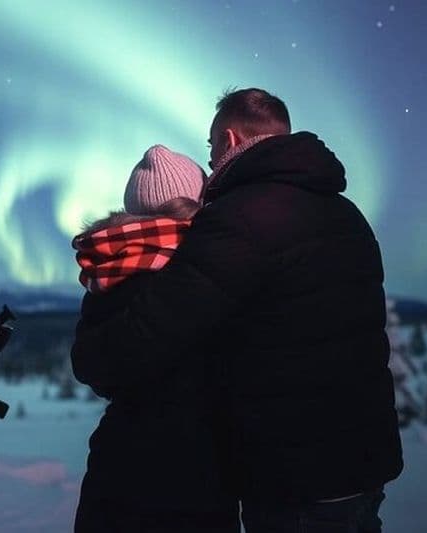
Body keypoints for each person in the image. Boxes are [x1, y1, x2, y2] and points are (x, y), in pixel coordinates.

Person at [71, 88, 404, 532]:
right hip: (363, 462)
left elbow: (147, 334)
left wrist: (95, 352)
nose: (210, 163)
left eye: (210, 146)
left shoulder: (241, 218)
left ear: (229, 140)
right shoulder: (347, 215)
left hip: (295, 476)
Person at [72, 144, 240, 532]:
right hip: (199, 474)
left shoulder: (110, 265)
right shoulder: (210, 268)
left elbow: (94, 369)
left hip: (117, 468)